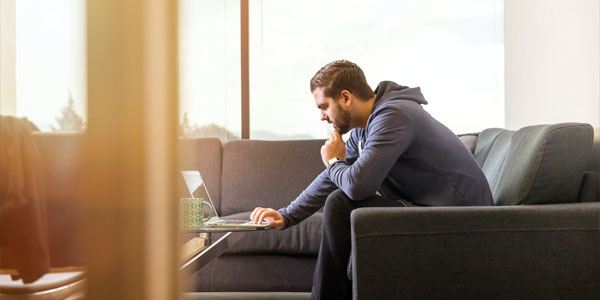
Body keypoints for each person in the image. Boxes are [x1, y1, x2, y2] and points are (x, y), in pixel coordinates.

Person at [250, 60, 493, 300]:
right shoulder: (363, 129)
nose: (322, 117)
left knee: (341, 204)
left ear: (346, 98)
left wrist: (334, 161)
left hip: (462, 219)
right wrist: (287, 215)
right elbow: (333, 179)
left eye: (324, 106)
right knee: (339, 199)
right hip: (429, 211)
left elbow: (357, 186)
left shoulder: (394, 117)